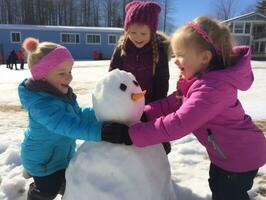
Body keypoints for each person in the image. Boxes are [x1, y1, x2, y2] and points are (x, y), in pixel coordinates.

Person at [101, 16, 266, 200]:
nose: (175, 61)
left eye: (180, 55)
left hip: (240, 156)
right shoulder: (198, 83)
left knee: (227, 193)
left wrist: (129, 135)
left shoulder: (212, 90)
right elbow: (172, 103)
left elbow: (178, 123)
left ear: (204, 57)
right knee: (218, 185)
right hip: (226, 153)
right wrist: (143, 114)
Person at [18, 37, 102, 200]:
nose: (69, 78)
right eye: (62, 73)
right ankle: (35, 192)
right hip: (43, 162)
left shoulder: (63, 96)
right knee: (48, 191)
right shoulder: (41, 104)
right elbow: (67, 125)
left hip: (60, 157)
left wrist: (101, 112)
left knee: (69, 184)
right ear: (42, 76)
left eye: (69, 71)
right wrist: (102, 132)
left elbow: (78, 115)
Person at [109, 1, 172, 154]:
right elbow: (112, 76)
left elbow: (162, 83)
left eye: (143, 33)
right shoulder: (122, 49)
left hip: (150, 103)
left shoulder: (158, 53)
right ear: (126, 31)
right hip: (126, 103)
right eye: (133, 33)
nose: (137, 37)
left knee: (154, 138)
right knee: (127, 138)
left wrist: (153, 109)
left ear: (152, 32)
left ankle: (159, 159)